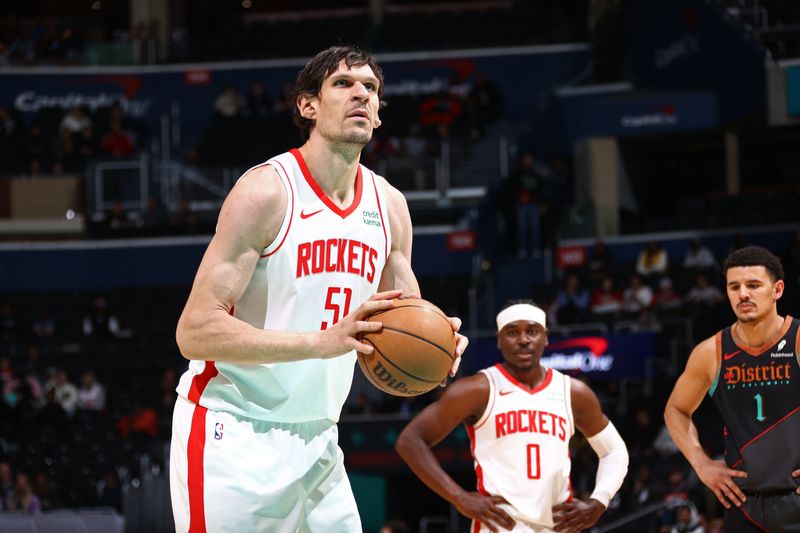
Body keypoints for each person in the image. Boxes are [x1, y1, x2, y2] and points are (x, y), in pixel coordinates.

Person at [169, 45, 467, 533]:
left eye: (370, 88)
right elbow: (194, 331)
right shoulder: (267, 191)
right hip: (235, 433)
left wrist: (441, 340)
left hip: (320, 437)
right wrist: (322, 342)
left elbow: (406, 313)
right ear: (308, 105)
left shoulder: (390, 205)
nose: (361, 95)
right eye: (343, 84)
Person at [395, 301, 627, 532]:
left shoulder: (573, 393)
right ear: (499, 339)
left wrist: (599, 501)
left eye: (532, 331)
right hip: (499, 527)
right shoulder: (478, 389)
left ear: (545, 337)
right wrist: (459, 497)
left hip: (558, 526)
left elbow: (614, 450)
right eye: (513, 332)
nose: (524, 339)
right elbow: (410, 440)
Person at [664, 245, 800, 532]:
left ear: (777, 289)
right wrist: (701, 464)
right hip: (743, 505)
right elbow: (676, 410)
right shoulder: (710, 353)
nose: (743, 294)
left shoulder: (798, 340)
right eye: (734, 286)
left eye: (753, 285)